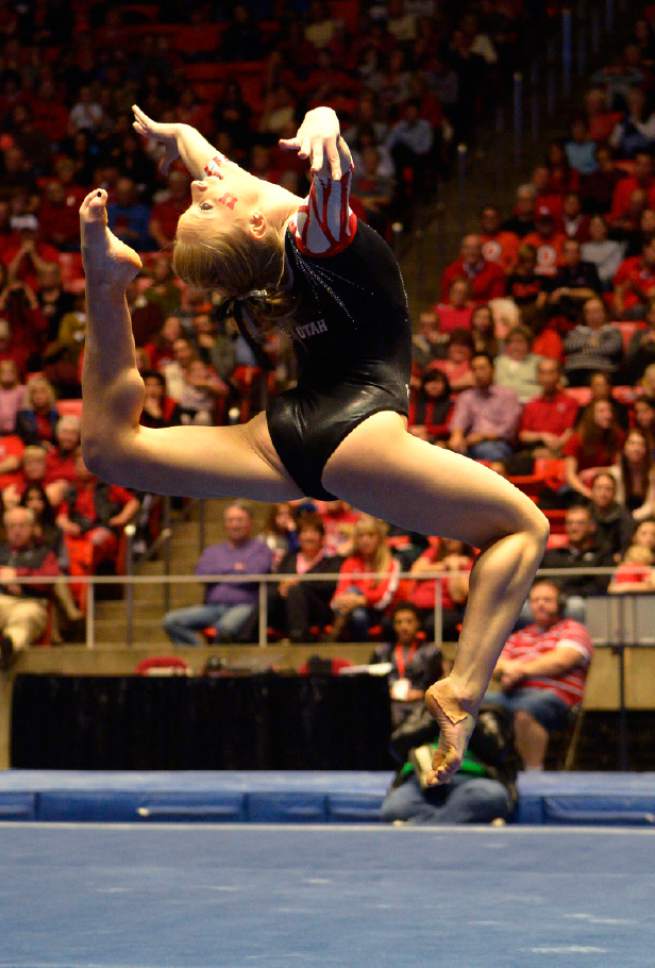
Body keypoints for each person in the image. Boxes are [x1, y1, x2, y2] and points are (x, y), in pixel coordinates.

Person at [80, 104, 549, 784]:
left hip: (287, 435)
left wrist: (174, 134)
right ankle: (462, 687)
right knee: (523, 528)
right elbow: (330, 186)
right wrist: (324, 121)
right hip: (358, 431)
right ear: (252, 223)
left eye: (197, 198)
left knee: (111, 451)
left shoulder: (254, 217)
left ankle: (105, 284)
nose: (198, 189)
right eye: (202, 205)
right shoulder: (311, 235)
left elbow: (205, 160)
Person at [488, 579, 593, 771]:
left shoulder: (573, 629)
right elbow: (495, 664)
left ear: (560, 604)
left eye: (547, 599)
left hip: (557, 697)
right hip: (510, 694)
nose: (540, 604)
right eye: (535, 600)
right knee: (473, 703)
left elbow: (562, 659)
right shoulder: (519, 635)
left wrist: (520, 669)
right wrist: (507, 669)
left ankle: (533, 773)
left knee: (525, 712)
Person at [162, 501, 272, 644]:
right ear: (225, 524)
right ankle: (201, 657)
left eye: (240, 520)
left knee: (225, 628)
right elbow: (202, 574)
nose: (235, 525)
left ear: (250, 523)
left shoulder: (260, 549)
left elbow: (256, 574)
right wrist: (236, 569)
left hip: (245, 606)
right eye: (231, 520)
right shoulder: (212, 551)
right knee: (171, 621)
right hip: (212, 607)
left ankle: (214, 661)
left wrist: (220, 574)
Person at [0, 505, 60, 667]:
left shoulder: (45, 553)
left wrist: (17, 576)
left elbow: (49, 579)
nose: (17, 531)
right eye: (12, 526)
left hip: (30, 603)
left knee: (25, 619)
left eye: (21, 525)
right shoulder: (1, 552)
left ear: (32, 528)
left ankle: (7, 648)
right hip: (2, 600)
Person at [269, 513, 341, 642]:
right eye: (304, 532)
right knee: (268, 594)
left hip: (320, 611)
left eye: (313, 532)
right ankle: (246, 637)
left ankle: (298, 636)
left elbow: (329, 585)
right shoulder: (289, 558)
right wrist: (281, 588)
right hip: (285, 609)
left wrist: (297, 582)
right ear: (298, 537)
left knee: (296, 590)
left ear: (321, 537)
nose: (309, 537)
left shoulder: (332, 560)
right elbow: (277, 582)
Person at [331, 515, 403, 642]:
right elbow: (339, 594)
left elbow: (383, 599)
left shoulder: (392, 564)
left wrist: (359, 599)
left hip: (381, 614)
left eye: (370, 535)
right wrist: (347, 600)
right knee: (357, 613)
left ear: (379, 539)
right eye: (361, 536)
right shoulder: (350, 562)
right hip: (353, 613)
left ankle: (336, 633)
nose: (365, 540)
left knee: (354, 595)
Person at [371, 603, 442, 728]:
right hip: (390, 703)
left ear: (418, 623)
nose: (404, 626)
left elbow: (436, 682)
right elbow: (372, 682)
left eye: (409, 621)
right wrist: (386, 692)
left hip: (420, 703)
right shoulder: (381, 651)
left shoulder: (431, 652)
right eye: (399, 622)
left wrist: (422, 693)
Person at [540, 504, 614, 619]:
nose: (574, 528)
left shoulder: (602, 553)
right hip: (552, 602)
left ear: (591, 527)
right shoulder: (553, 554)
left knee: (575, 606)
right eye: (570, 523)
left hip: (588, 604)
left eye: (580, 523)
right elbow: (540, 581)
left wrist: (563, 592)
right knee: (523, 609)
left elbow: (600, 586)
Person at [448, 352, 521, 462]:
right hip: (469, 444)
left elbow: (508, 430)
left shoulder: (507, 395)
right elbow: (459, 421)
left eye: (482, 368)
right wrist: (456, 436)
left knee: (488, 451)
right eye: (474, 369)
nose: (478, 373)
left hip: (498, 443)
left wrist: (482, 436)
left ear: (493, 370)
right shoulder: (466, 396)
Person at [517, 358, 578, 463]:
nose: (547, 378)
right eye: (543, 373)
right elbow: (523, 435)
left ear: (559, 375)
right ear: (538, 377)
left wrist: (557, 446)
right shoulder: (531, 404)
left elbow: (571, 431)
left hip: (562, 451)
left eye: (551, 373)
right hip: (535, 451)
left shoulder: (570, 402)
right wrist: (542, 436)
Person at [564, 399, 625, 501]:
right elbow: (570, 475)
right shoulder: (577, 438)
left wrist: (595, 471)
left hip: (608, 487)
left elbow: (620, 468)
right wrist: (590, 494)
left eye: (609, 411)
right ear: (591, 415)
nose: (608, 415)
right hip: (582, 488)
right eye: (602, 411)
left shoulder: (617, 436)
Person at [563, 297, 623, 386]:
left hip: (601, 369)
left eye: (596, 311)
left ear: (604, 313)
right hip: (574, 370)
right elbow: (568, 346)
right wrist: (588, 342)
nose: (592, 315)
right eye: (588, 312)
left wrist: (582, 349)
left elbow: (611, 349)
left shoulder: (612, 332)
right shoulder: (576, 331)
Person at [587, 471, 634, 559]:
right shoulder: (585, 514)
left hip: (613, 563)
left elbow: (625, 547)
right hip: (588, 561)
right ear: (592, 490)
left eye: (608, 489)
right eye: (599, 488)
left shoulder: (624, 516)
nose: (603, 493)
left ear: (614, 492)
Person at [493, 325, 542, 404]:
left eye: (520, 341)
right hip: (503, 405)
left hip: (531, 405)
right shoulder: (498, 362)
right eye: (512, 342)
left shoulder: (539, 362)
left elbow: (548, 387)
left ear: (529, 344)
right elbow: (498, 387)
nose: (515, 346)